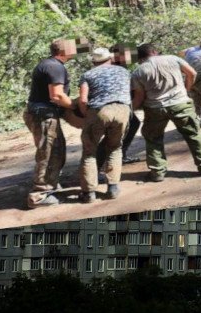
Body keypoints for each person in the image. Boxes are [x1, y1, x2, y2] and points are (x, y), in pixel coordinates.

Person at [130, 43, 201, 182]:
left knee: (153, 139)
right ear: (154, 51)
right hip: (181, 104)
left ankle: (157, 172)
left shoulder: (138, 72)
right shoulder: (173, 59)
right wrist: (186, 89)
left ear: (140, 58)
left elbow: (139, 96)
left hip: (155, 108)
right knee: (193, 134)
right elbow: (192, 73)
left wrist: (131, 109)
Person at [23, 38, 77, 209]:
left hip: (43, 114)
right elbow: (57, 96)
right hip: (44, 116)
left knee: (56, 151)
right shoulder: (55, 66)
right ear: (63, 51)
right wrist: (76, 106)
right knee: (49, 153)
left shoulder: (50, 64)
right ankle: (39, 195)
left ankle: (50, 184)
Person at [76, 47, 131, 202]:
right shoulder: (124, 72)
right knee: (115, 148)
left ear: (94, 61)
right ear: (110, 58)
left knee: (89, 152)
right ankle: (112, 188)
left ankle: (89, 193)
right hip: (122, 110)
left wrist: (86, 115)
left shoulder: (88, 75)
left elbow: (83, 100)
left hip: (99, 111)